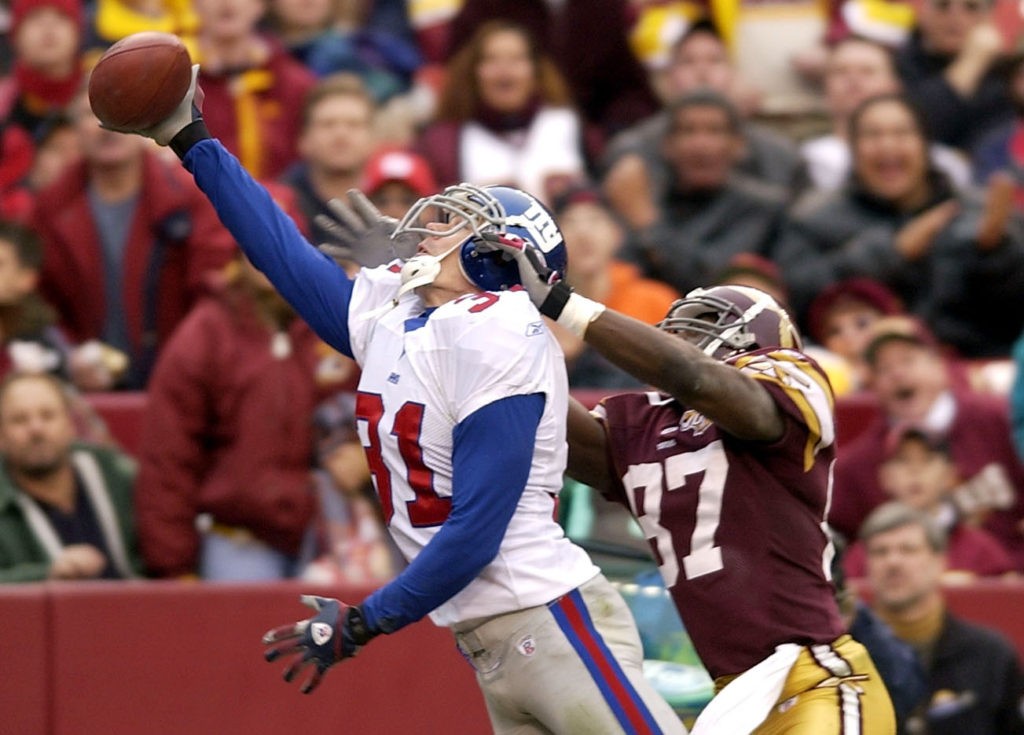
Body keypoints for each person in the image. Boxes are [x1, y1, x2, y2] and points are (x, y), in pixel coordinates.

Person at [116, 71, 686, 733]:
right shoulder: (405, 314)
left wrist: (363, 621)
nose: (427, 220)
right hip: (492, 634)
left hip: (549, 614)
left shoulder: (499, 334)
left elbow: (475, 531)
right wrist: (194, 143)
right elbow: (281, 254)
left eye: (454, 220)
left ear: (495, 252)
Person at [485, 239, 897, 729]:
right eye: (677, 331)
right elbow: (542, 418)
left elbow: (694, 376)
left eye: (706, 325)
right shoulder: (649, 424)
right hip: (733, 699)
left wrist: (561, 303)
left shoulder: (791, 381)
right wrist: (485, 321)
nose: (681, 338)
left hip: (814, 679)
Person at [134, 212, 353, 581]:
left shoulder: (336, 319)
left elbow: (389, 406)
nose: (268, 256)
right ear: (237, 255)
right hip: (238, 536)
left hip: (332, 529)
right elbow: (168, 454)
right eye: (256, 245)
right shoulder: (205, 334)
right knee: (247, 638)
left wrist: (364, 453)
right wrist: (172, 563)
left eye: (280, 242)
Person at [775, 93, 1024, 355]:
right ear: (852, 148)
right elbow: (793, 296)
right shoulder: (814, 219)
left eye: (902, 133)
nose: (888, 146)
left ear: (926, 144)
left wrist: (997, 253)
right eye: (873, 135)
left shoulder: (979, 212)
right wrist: (891, 252)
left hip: (973, 368)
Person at [32, 89, 235, 389]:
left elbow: (213, 295)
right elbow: (38, 301)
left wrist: (186, 363)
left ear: (146, 124)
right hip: (83, 391)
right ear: (74, 129)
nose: (108, 125)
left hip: (183, 384)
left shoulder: (190, 200)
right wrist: (67, 356)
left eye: (121, 108)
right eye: (92, 113)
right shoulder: (49, 209)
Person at [830, 316, 1024, 569]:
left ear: (940, 366)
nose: (897, 374)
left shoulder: (1001, 420)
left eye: (908, 360)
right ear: (872, 385)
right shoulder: (858, 465)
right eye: (883, 368)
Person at [602, 19, 805, 232]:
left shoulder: (780, 156)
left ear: (733, 73)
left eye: (715, 61)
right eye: (688, 62)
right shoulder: (631, 152)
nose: (702, 72)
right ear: (668, 76)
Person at [861, 502, 1024, 734]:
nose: (893, 562)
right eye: (880, 551)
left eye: (908, 550)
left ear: (940, 561)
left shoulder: (990, 654)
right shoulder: (846, 655)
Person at [634, 89, 789, 298]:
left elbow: (711, 280)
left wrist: (648, 223)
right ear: (667, 145)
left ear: (738, 145)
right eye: (688, 131)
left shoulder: (762, 207)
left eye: (714, 131)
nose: (700, 144)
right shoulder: (650, 198)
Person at [415, 19, 586, 205]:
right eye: (492, 60)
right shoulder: (442, 141)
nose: (504, 70)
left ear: (535, 70)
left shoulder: (567, 123)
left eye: (516, 59)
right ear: (473, 72)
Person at [0, 371, 143, 583]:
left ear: (70, 424)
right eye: (20, 420)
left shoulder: (116, 474)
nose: (36, 429)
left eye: (48, 415)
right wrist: (46, 574)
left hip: (137, 609)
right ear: (2, 434)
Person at [840, 426, 1015, 579]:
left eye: (927, 459)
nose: (914, 470)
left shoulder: (982, 551)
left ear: (950, 475)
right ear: (885, 477)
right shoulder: (865, 554)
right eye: (903, 460)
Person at [801, 35, 970, 191]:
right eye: (841, 72)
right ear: (825, 88)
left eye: (867, 71)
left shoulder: (942, 164)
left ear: (895, 86)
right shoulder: (805, 161)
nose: (853, 80)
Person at [193, 0, 316, 179]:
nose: (227, 4)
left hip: (279, 202)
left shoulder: (296, 84)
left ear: (261, 5)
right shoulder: (175, 81)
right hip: (199, 202)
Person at [895, 0, 1013, 154]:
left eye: (971, 7)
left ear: (988, 19)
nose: (955, 17)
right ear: (923, 12)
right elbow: (915, 126)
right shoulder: (895, 63)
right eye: (943, 5)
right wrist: (972, 62)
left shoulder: (1004, 76)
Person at [280, 73, 379, 248]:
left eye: (354, 124)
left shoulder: (394, 197)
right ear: (303, 139)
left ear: (373, 138)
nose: (341, 135)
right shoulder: (281, 204)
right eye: (327, 124)